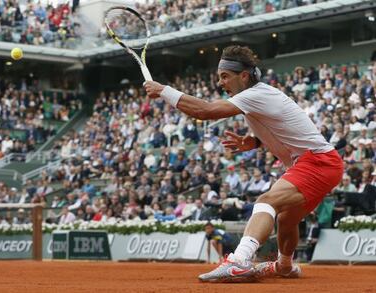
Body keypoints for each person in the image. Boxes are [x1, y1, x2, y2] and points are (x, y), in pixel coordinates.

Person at [144, 45, 343, 282]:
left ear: (244, 76)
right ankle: (285, 266)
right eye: (219, 77)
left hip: (318, 162)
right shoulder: (259, 95)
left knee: (266, 201)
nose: (221, 82)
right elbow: (287, 126)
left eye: (225, 76)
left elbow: (205, 111)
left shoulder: (256, 94)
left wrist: (164, 90)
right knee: (286, 218)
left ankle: (238, 261)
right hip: (320, 162)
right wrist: (256, 142)